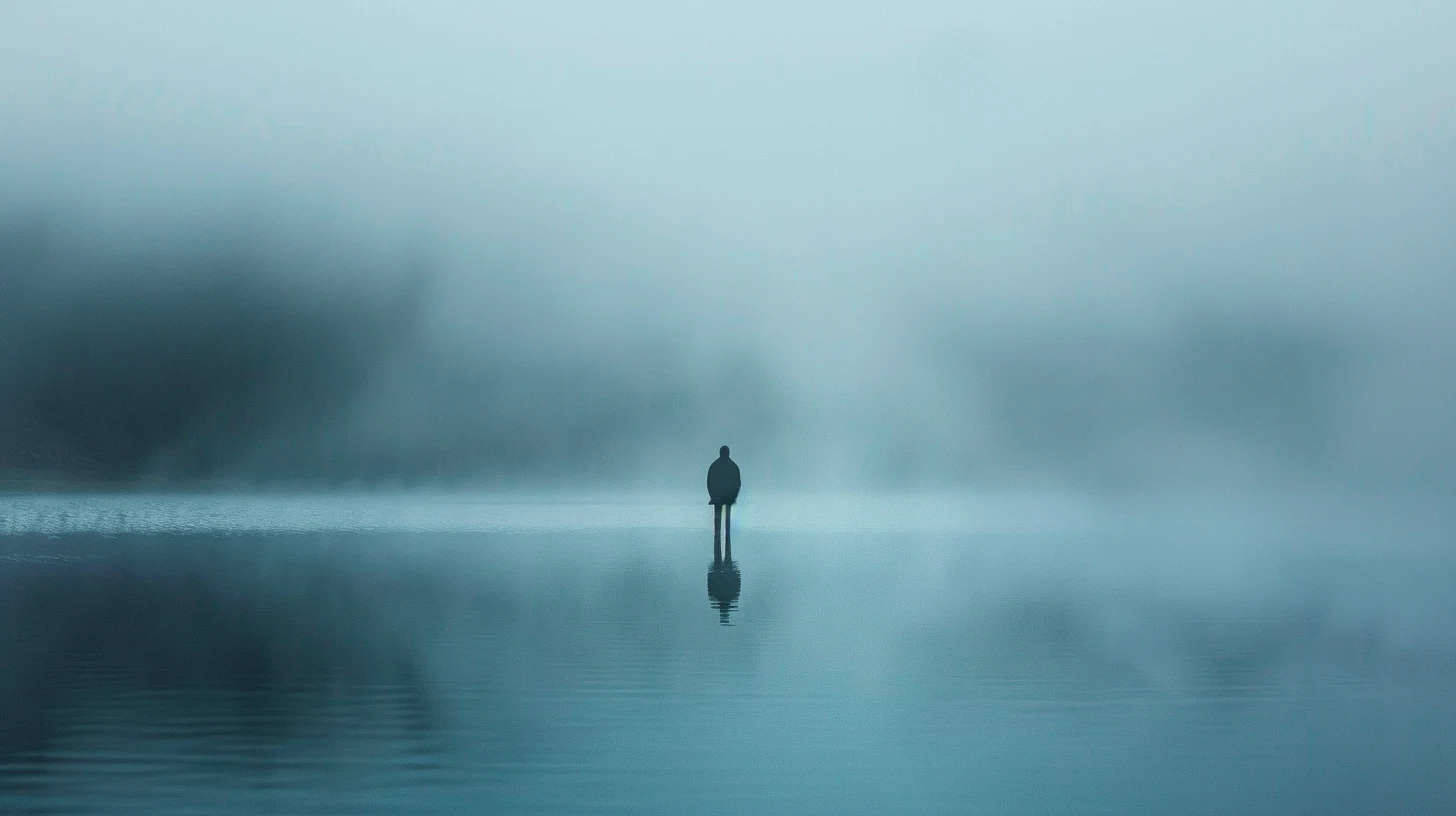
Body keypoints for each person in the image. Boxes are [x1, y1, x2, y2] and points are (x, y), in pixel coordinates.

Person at [706, 445, 741, 545]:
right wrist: (734, 496)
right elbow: (737, 483)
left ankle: (717, 538)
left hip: (717, 497)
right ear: (728, 453)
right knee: (728, 520)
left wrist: (712, 496)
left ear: (720, 453)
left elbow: (709, 482)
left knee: (717, 519)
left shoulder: (714, 465)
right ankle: (727, 538)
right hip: (729, 497)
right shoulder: (733, 466)